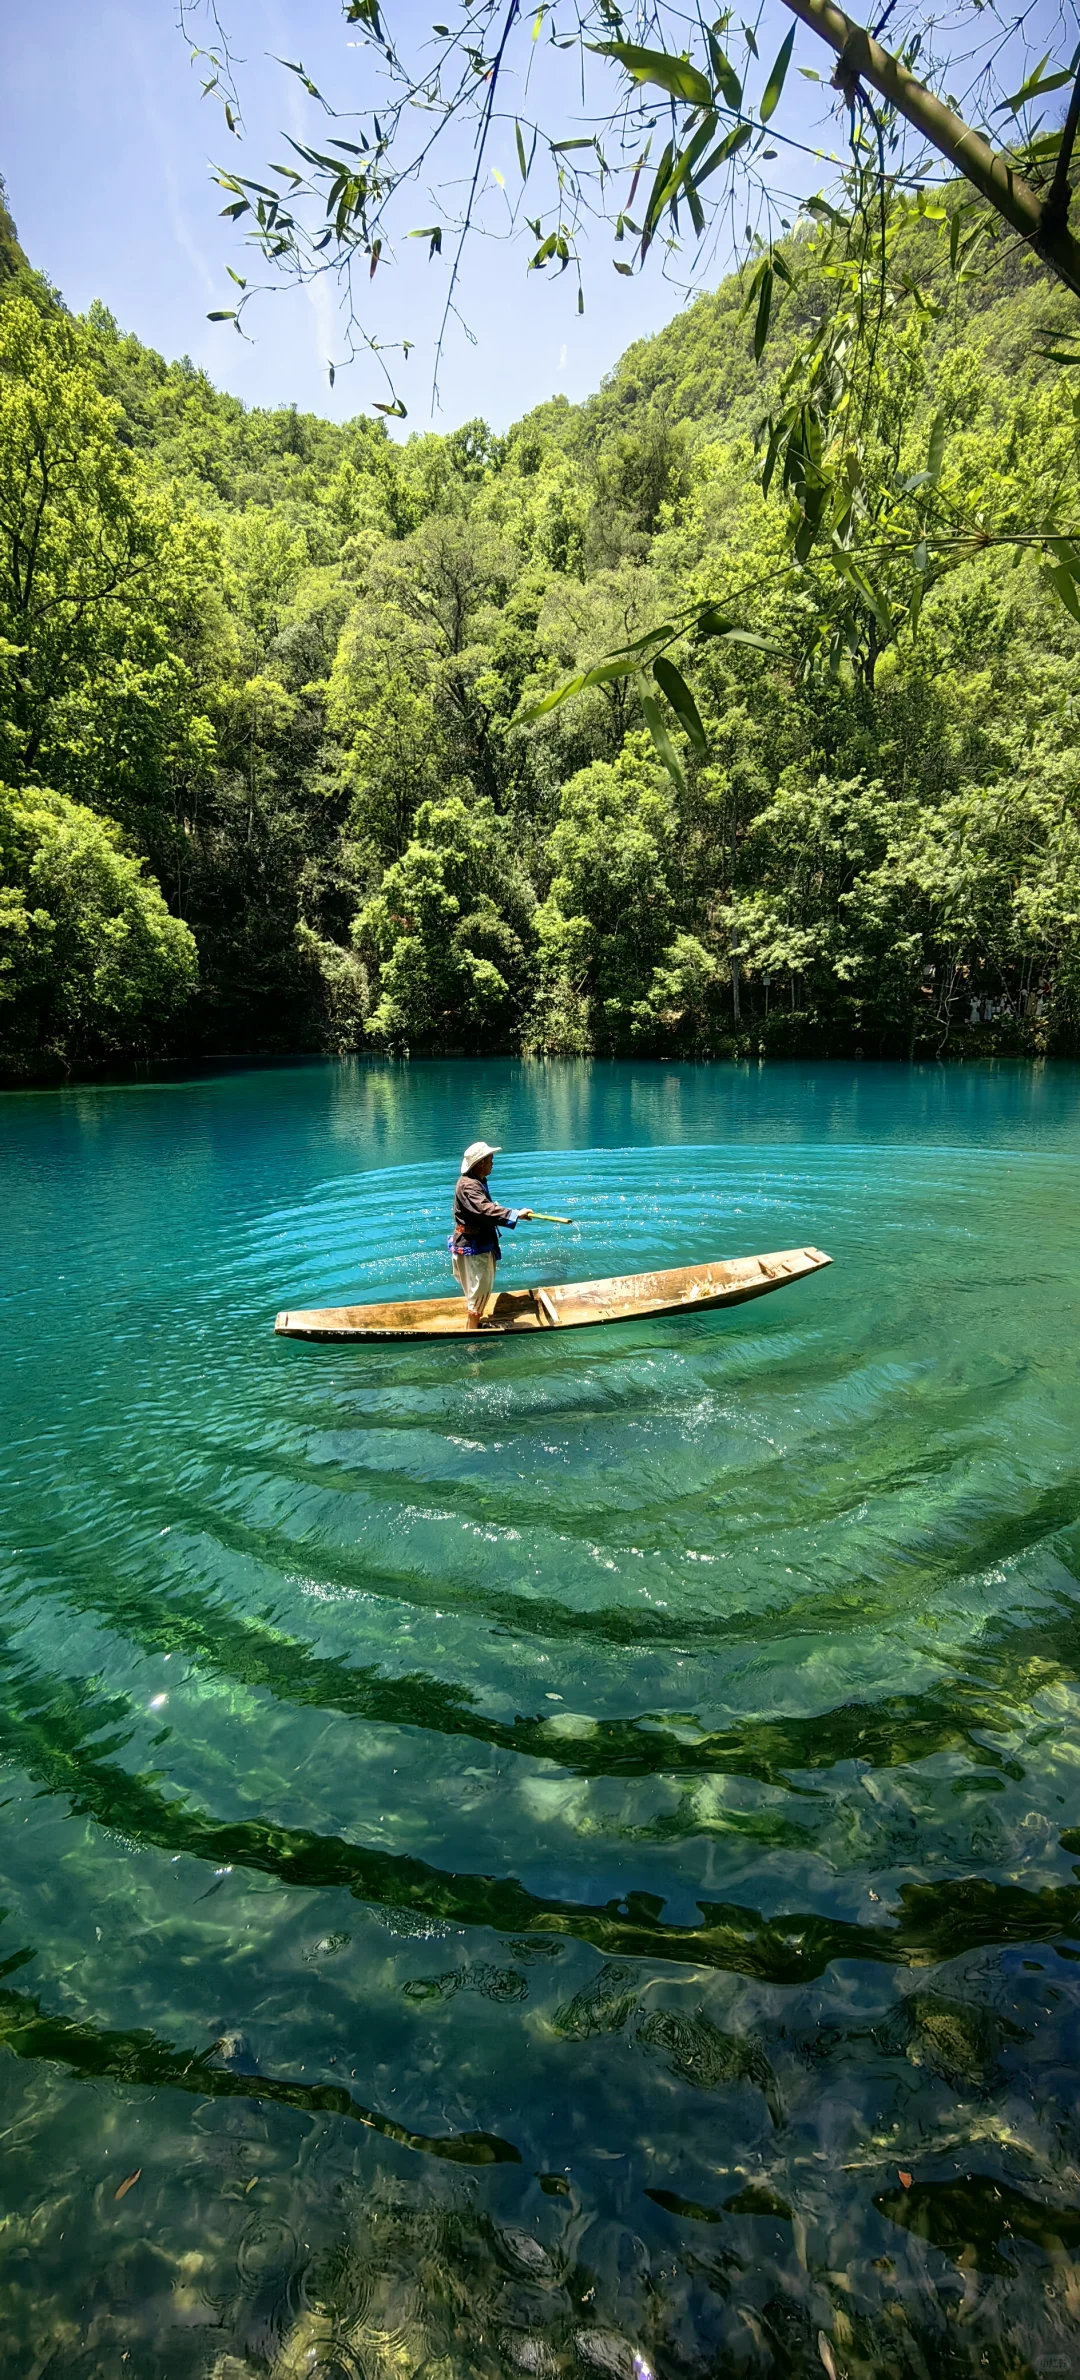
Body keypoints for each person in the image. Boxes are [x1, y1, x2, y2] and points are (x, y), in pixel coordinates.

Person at [449, 1141, 534, 1330]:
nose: (492, 1163)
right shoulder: (469, 1186)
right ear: (480, 1163)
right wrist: (515, 1214)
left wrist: (514, 1215)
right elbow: (485, 1209)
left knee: (476, 1293)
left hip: (474, 1242)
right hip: (474, 1247)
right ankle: (472, 1338)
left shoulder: (475, 1181)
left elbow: (484, 1211)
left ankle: (473, 1325)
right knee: (478, 1294)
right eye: (490, 1160)